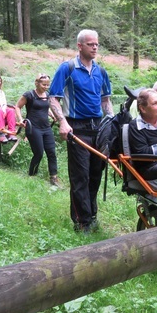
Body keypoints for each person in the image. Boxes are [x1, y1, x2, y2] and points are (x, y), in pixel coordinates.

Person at [49, 29, 113, 233]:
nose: (95, 47)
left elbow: (106, 100)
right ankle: (81, 221)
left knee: (95, 174)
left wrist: (110, 121)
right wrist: (62, 122)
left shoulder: (101, 72)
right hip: (77, 128)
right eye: (90, 44)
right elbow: (53, 99)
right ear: (80, 46)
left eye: (97, 44)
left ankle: (92, 215)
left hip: (98, 128)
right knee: (80, 176)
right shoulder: (67, 68)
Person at [15, 73, 60, 186]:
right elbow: (17, 106)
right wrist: (21, 120)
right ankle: (32, 175)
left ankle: (53, 178)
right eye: (43, 84)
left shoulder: (48, 95)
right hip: (33, 128)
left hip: (46, 128)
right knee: (39, 153)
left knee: (51, 153)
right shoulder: (29, 95)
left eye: (47, 85)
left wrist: (51, 115)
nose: (45, 87)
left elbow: (44, 108)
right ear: (37, 83)